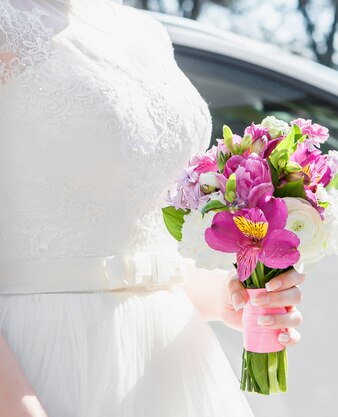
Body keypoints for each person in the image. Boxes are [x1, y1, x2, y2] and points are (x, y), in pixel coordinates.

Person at [0, 0, 304, 416]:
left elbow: (139, 239)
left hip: (171, 361)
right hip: (46, 357)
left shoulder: (145, 31)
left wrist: (225, 297)